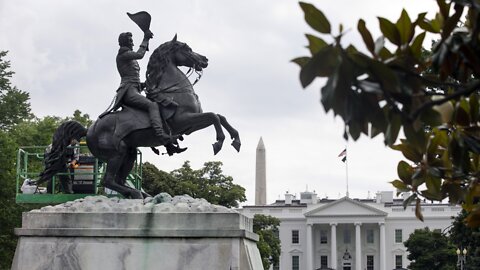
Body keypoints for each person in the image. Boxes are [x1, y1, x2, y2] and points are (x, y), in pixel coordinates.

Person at [103, 31, 185, 156]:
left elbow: (133, 78)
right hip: (128, 91)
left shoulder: (127, 56)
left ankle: (169, 144)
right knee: (152, 106)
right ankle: (161, 135)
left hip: (135, 88)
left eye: (132, 41)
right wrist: (146, 39)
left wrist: (145, 84)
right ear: (124, 42)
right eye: (130, 41)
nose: (132, 43)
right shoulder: (123, 54)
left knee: (157, 103)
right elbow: (140, 55)